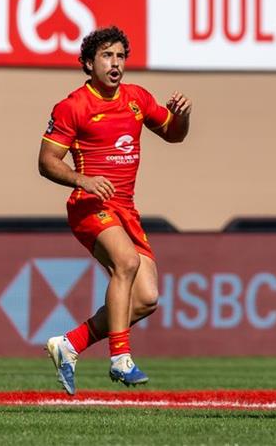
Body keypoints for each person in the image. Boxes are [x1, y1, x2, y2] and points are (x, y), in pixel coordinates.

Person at [37, 27, 191, 394]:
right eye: (107, 56)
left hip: (125, 209)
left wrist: (181, 115)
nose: (115, 63)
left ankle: (69, 344)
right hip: (89, 204)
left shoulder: (136, 98)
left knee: (147, 298)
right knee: (126, 263)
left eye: (120, 56)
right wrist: (82, 180)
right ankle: (120, 359)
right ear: (89, 64)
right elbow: (46, 162)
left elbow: (174, 134)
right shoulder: (73, 106)